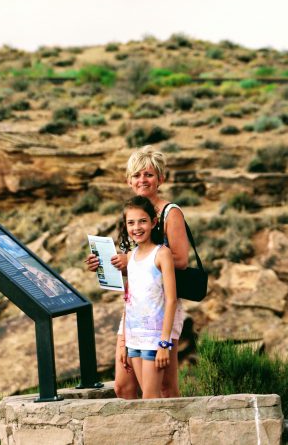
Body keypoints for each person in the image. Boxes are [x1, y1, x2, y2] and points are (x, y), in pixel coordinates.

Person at [85, 145, 190, 399]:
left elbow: (181, 259)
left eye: (149, 174)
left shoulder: (169, 213)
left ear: (160, 179)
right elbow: (133, 266)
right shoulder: (132, 215)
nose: (142, 180)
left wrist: (130, 259)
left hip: (161, 308)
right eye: (137, 175)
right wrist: (107, 265)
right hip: (134, 309)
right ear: (129, 180)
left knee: (164, 386)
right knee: (123, 385)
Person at [118, 195, 177, 399]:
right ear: (125, 226)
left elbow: (171, 300)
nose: (137, 227)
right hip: (134, 340)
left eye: (142, 221)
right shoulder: (131, 258)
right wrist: (125, 343)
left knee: (149, 400)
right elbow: (129, 302)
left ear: (153, 223)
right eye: (131, 222)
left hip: (154, 341)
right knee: (149, 401)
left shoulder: (162, 254)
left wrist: (164, 344)